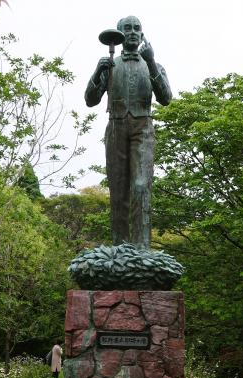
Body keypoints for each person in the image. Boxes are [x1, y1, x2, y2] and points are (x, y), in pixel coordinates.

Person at [85, 15, 172, 249]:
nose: (132, 32)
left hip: (143, 127)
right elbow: (90, 100)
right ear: (120, 34)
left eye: (137, 28)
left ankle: (142, 248)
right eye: (127, 29)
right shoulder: (111, 65)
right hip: (115, 126)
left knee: (141, 185)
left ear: (142, 34)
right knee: (118, 188)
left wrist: (151, 62)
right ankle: (120, 248)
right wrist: (97, 72)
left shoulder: (154, 64)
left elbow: (166, 98)